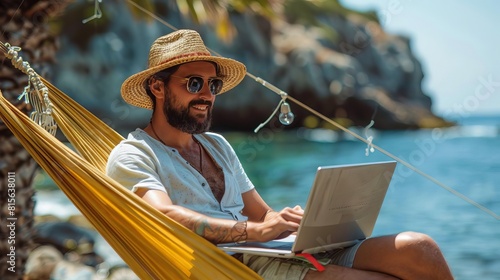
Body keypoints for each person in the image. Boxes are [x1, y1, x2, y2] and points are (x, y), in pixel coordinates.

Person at [106, 29, 454, 280]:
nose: (207, 96)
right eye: (193, 83)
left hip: (273, 250)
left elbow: (261, 213)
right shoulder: (134, 155)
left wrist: (290, 223)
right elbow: (162, 214)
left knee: (419, 248)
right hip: (232, 266)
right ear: (157, 86)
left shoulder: (218, 146)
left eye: (213, 86)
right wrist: (252, 232)